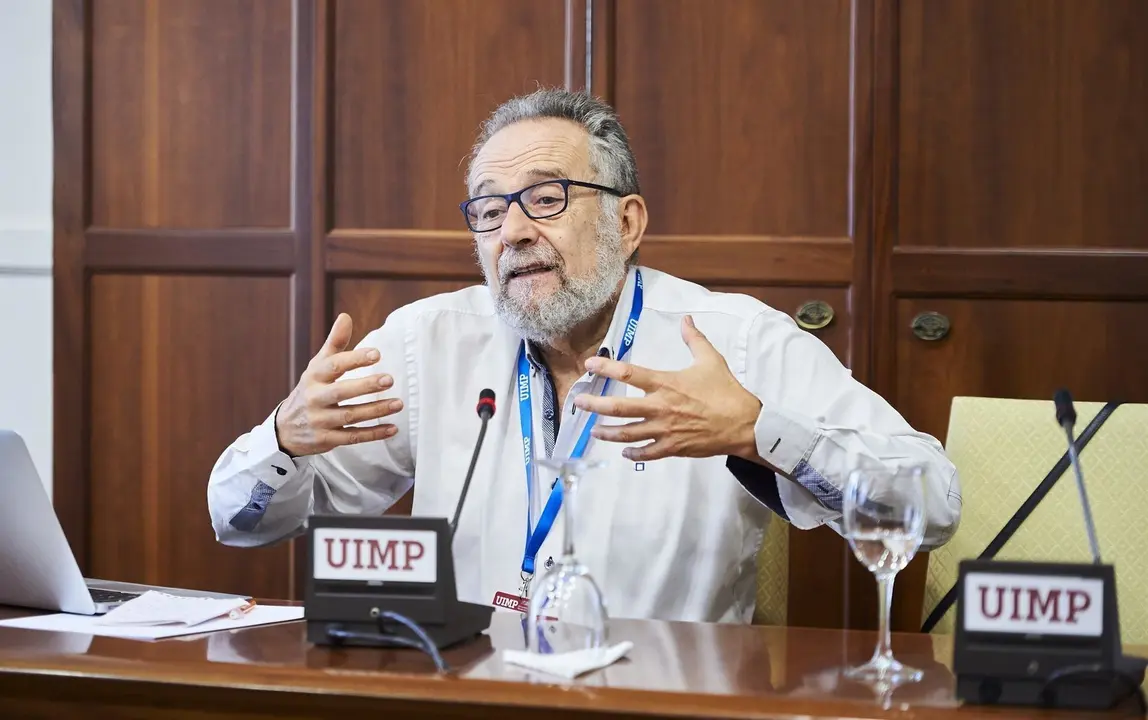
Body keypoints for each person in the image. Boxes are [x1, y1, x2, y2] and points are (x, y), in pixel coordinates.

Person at [207, 88, 961, 624]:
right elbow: (238, 521)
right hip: (464, 694)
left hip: (662, 702)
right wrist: (284, 436)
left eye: (546, 197)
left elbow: (933, 502)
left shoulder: (733, 341)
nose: (513, 232)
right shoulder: (425, 343)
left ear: (626, 220)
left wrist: (757, 432)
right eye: (490, 209)